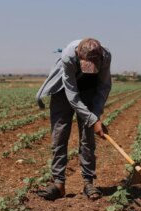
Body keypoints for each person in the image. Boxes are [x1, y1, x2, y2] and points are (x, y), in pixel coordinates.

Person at [35, 38, 111, 200]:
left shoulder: (105, 56)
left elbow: (104, 86)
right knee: (59, 134)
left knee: (87, 138)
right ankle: (58, 184)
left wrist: (95, 116)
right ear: (78, 55)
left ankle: (88, 183)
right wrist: (93, 119)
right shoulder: (68, 56)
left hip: (89, 88)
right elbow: (72, 95)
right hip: (64, 90)